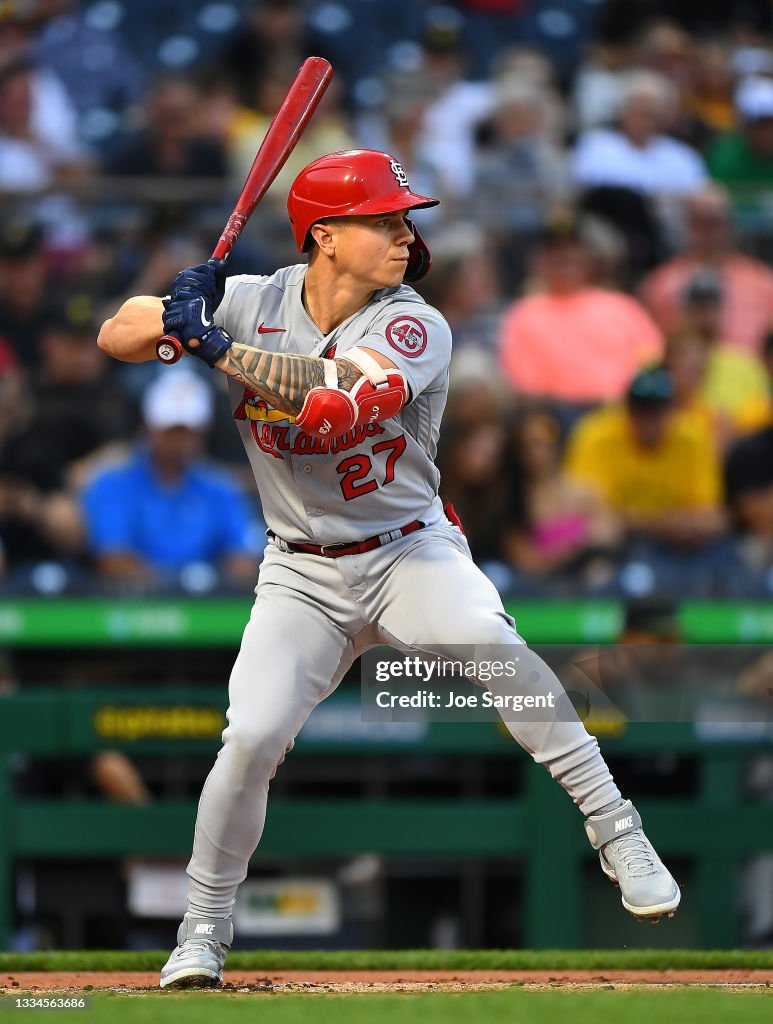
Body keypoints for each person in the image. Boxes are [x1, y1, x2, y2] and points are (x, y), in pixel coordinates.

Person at [97, 149, 680, 989]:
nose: (405, 234)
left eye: (404, 219)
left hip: (407, 548)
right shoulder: (251, 298)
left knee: (490, 642)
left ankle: (616, 827)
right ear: (324, 235)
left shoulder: (415, 322)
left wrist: (211, 344)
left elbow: (334, 405)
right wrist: (169, 307)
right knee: (250, 739)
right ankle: (201, 930)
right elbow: (115, 335)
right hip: (299, 568)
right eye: (384, 220)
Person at [81, 368, 258, 590]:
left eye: (190, 431)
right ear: (150, 427)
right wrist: (172, 586)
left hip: (206, 602)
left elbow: (242, 557)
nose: (182, 440)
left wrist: (207, 582)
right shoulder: (113, 482)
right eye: (172, 430)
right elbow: (112, 558)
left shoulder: (221, 487)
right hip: (136, 602)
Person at [497, 222, 663, 405]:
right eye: (556, 257)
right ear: (540, 261)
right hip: (553, 411)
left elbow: (651, 358)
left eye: (570, 256)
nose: (564, 263)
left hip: (619, 410)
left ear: (586, 260)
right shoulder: (525, 313)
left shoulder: (621, 307)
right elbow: (520, 379)